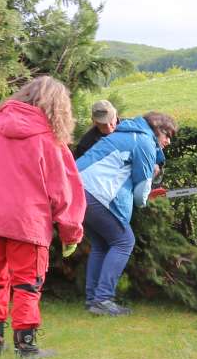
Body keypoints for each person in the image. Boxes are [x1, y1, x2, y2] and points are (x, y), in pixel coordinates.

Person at [0, 76, 85, 359]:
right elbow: (65, 190)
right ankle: (27, 348)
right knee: (26, 284)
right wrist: (71, 233)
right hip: (25, 221)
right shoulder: (51, 140)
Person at [75, 110, 179, 316]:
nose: (168, 141)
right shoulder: (144, 142)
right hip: (95, 193)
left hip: (76, 190)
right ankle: (103, 300)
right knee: (124, 242)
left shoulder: (124, 134)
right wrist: (148, 186)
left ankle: (93, 300)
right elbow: (141, 196)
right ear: (157, 130)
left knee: (101, 245)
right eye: (167, 135)